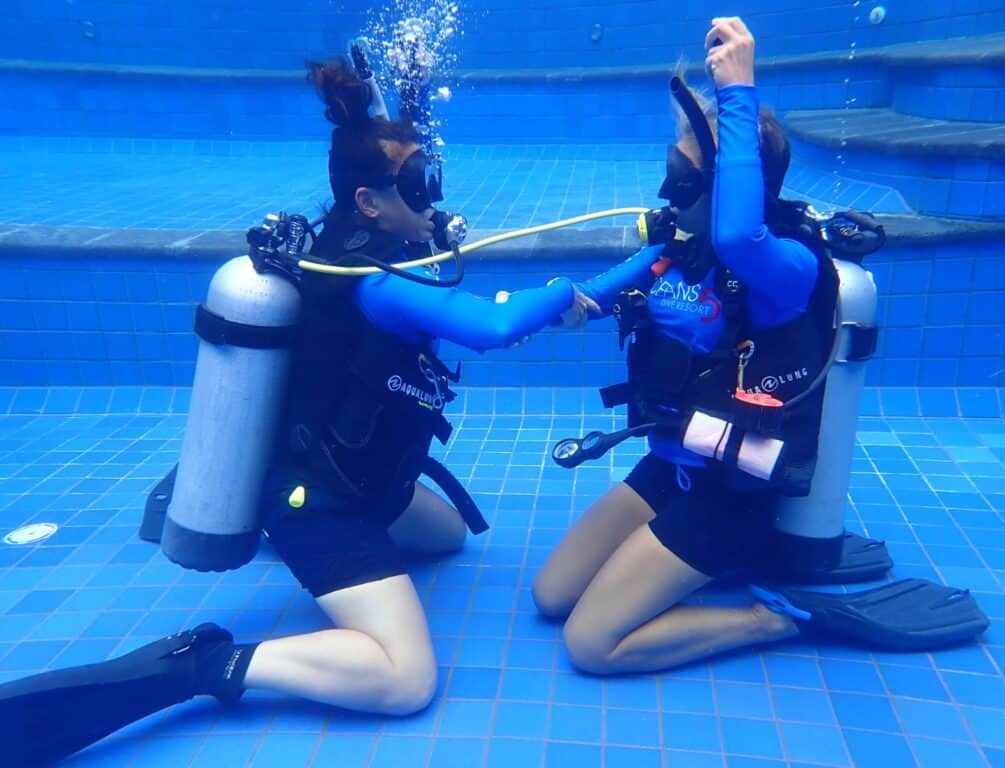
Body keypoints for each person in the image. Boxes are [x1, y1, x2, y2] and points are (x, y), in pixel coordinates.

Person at [0, 56, 596, 766]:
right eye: (416, 183)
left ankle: (271, 515)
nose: (431, 194)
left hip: (363, 480)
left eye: (429, 177)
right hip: (324, 500)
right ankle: (206, 664)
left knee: (447, 539)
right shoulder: (372, 279)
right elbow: (491, 328)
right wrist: (563, 292)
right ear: (370, 203)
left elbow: (438, 310)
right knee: (406, 678)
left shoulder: (382, 246)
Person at [531, 16, 829, 673]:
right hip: (673, 465)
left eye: (686, 174)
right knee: (550, 595)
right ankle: (669, 561)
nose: (669, 188)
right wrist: (545, 307)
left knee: (590, 644)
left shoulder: (787, 269)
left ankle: (762, 619)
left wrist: (738, 87)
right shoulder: (675, 253)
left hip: (730, 493)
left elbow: (739, 240)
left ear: (729, 189)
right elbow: (589, 298)